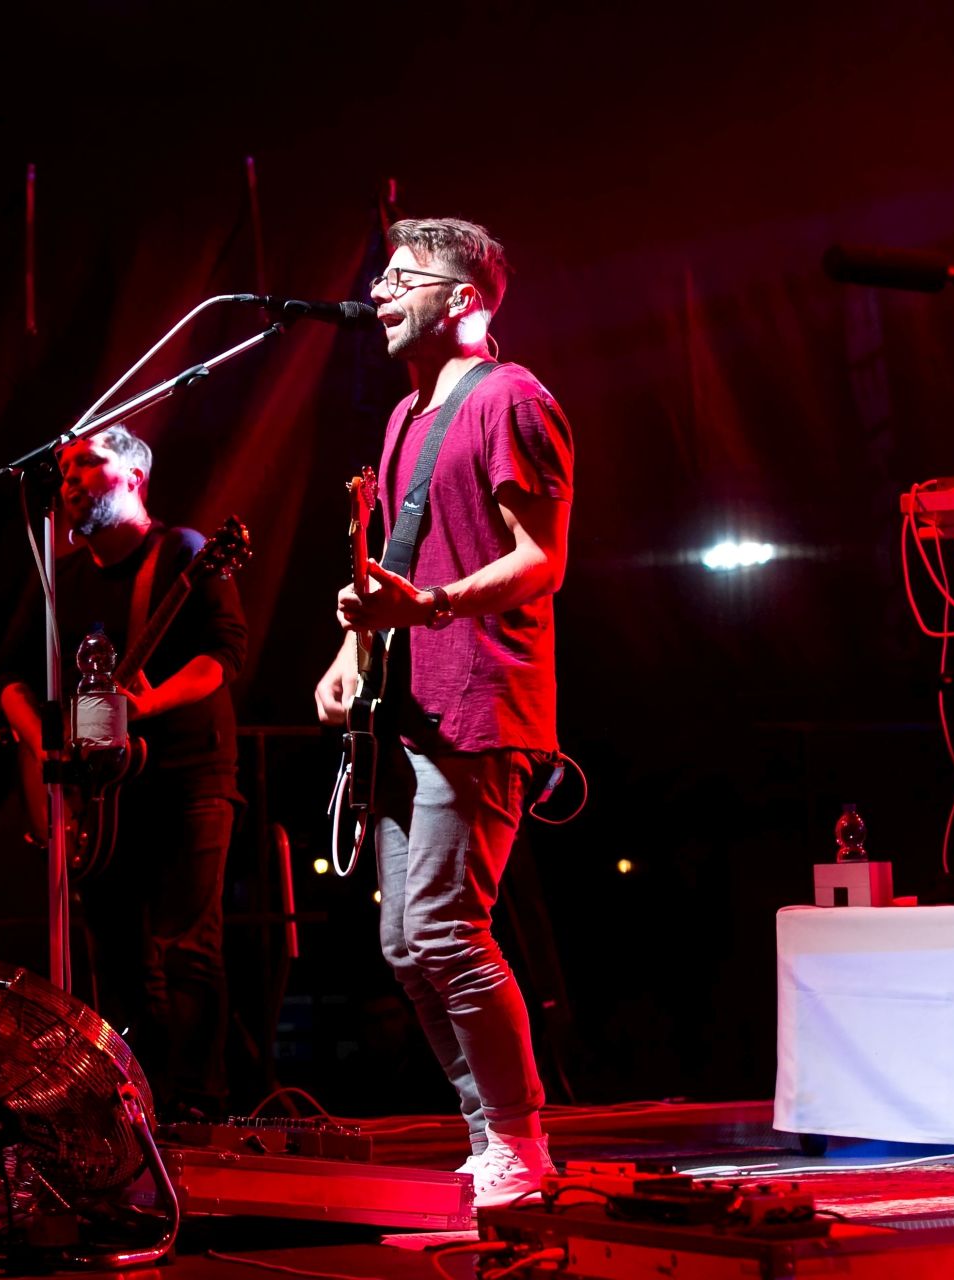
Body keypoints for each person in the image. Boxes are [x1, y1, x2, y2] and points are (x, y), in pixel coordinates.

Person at [313, 217, 574, 1208]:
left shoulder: (513, 400)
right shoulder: (405, 418)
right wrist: (351, 652)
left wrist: (426, 608)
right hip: (408, 704)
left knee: (445, 928)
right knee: (407, 944)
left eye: (401, 277)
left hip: (480, 698)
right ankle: (488, 1139)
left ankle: (521, 1141)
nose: (379, 292)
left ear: (464, 299)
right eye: (380, 277)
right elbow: (399, 560)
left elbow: (543, 558)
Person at [0, 425, 247, 1121]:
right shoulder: (63, 578)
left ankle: (199, 1106)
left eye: (87, 463)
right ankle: (136, 1107)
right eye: (63, 471)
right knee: (113, 954)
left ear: (135, 475)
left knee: (188, 949)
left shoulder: (186, 553)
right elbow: (10, 679)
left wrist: (148, 703)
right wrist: (47, 751)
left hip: (187, 775)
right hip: (99, 792)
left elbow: (224, 656)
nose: (70, 481)